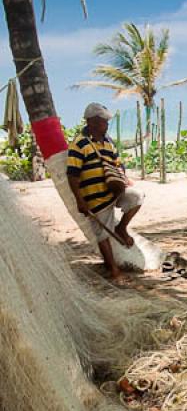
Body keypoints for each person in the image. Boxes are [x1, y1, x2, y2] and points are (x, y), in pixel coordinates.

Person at [67, 103, 143, 280]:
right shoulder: (79, 144)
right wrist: (80, 201)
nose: (107, 124)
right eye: (103, 121)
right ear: (92, 122)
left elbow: (117, 164)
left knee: (137, 197)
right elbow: (72, 175)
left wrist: (124, 178)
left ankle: (121, 228)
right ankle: (114, 270)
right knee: (102, 234)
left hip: (113, 192)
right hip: (95, 198)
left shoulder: (108, 142)